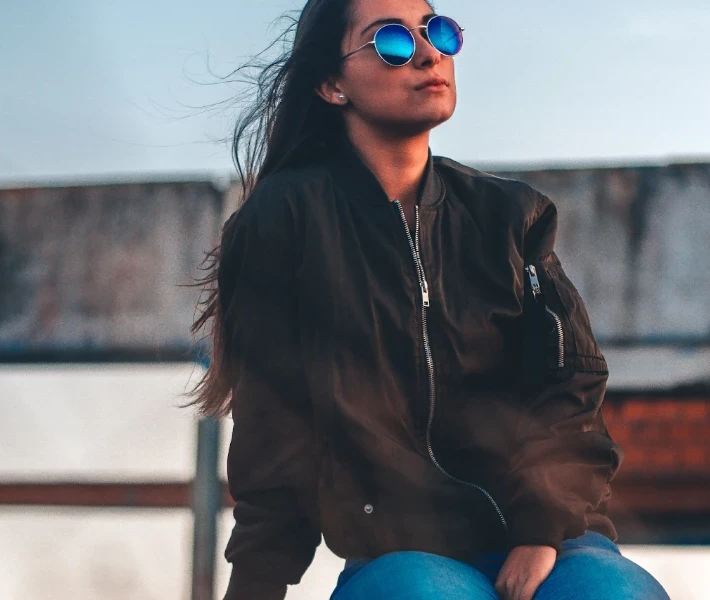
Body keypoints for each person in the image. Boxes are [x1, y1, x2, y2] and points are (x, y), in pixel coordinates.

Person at [184, 0, 670, 599]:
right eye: (390, 39)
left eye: (437, 30)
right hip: (405, 551)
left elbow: (568, 387)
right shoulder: (285, 220)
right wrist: (254, 587)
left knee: (613, 594)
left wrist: (540, 533)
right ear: (333, 84)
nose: (427, 51)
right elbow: (277, 428)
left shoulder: (513, 216)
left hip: (555, 537)